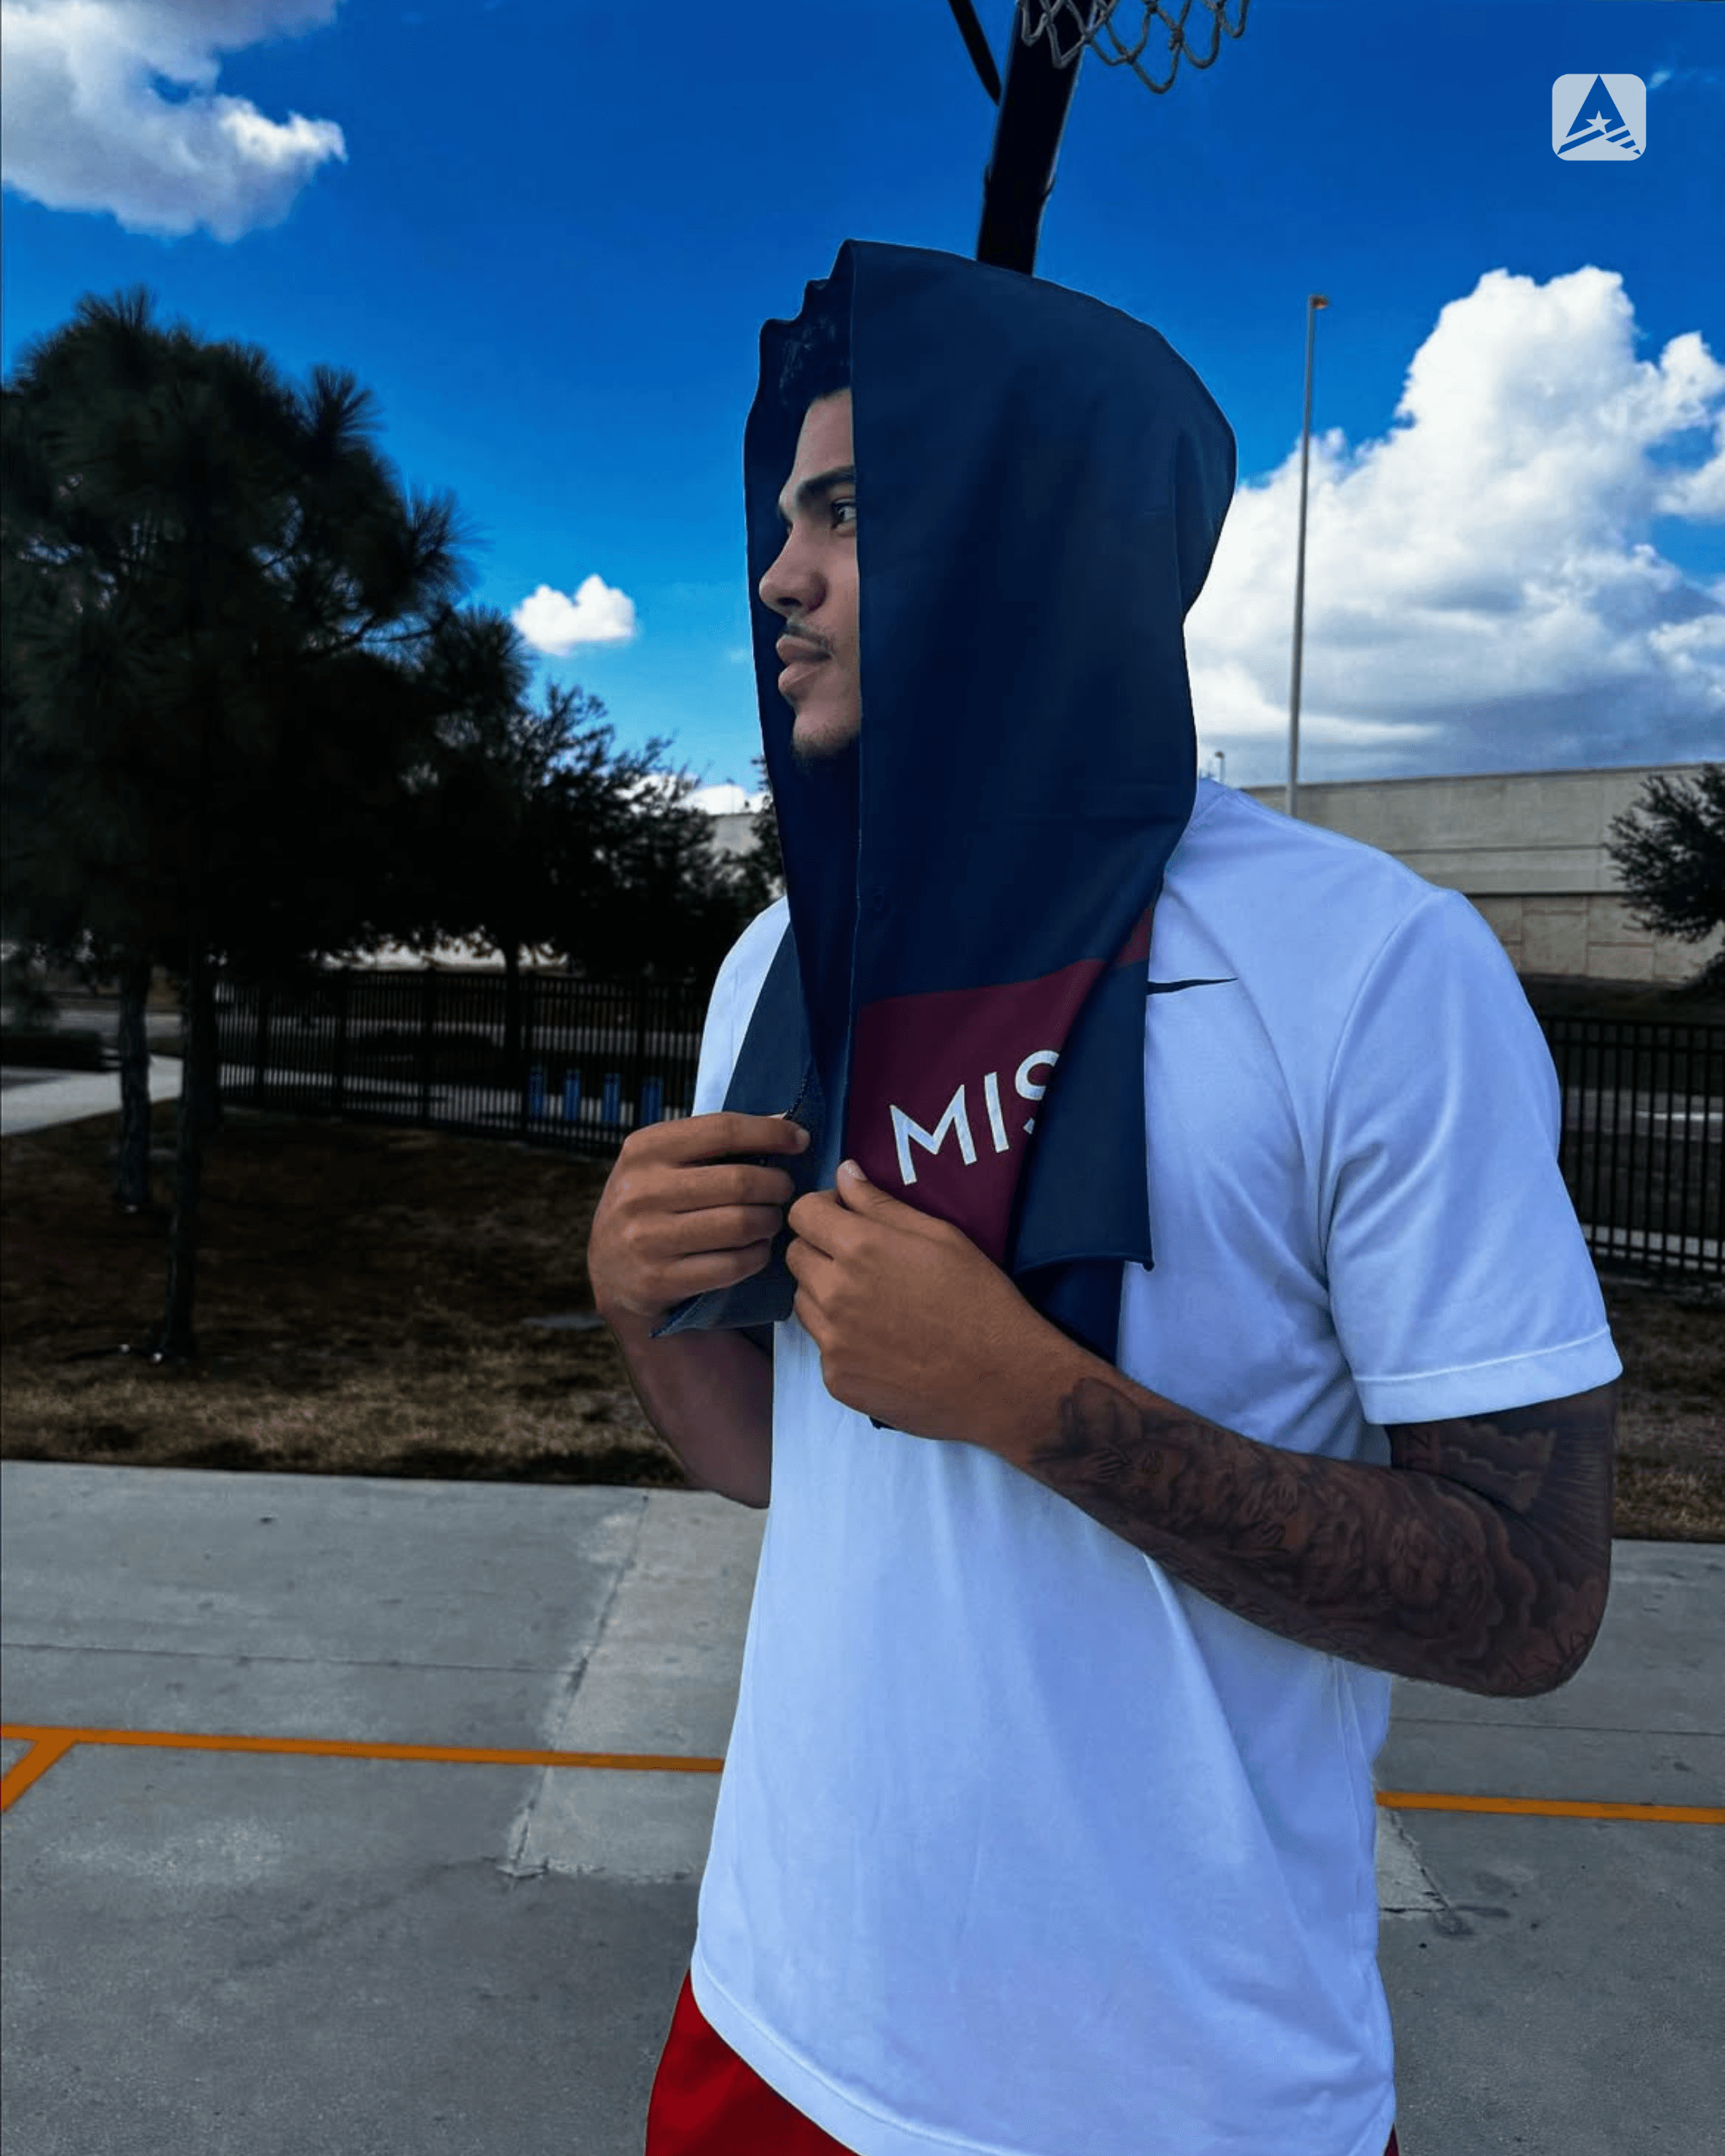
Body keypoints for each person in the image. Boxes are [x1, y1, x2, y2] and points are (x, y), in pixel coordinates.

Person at [587, 241, 1621, 2156]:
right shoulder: (783, 964)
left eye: (847, 513)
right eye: (781, 517)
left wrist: (1034, 1400)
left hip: (1179, 2096)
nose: (777, 577)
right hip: (771, 2025)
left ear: (1027, 531)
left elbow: (1531, 1597)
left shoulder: (1369, 967)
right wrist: (639, 1302)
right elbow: (775, 1469)